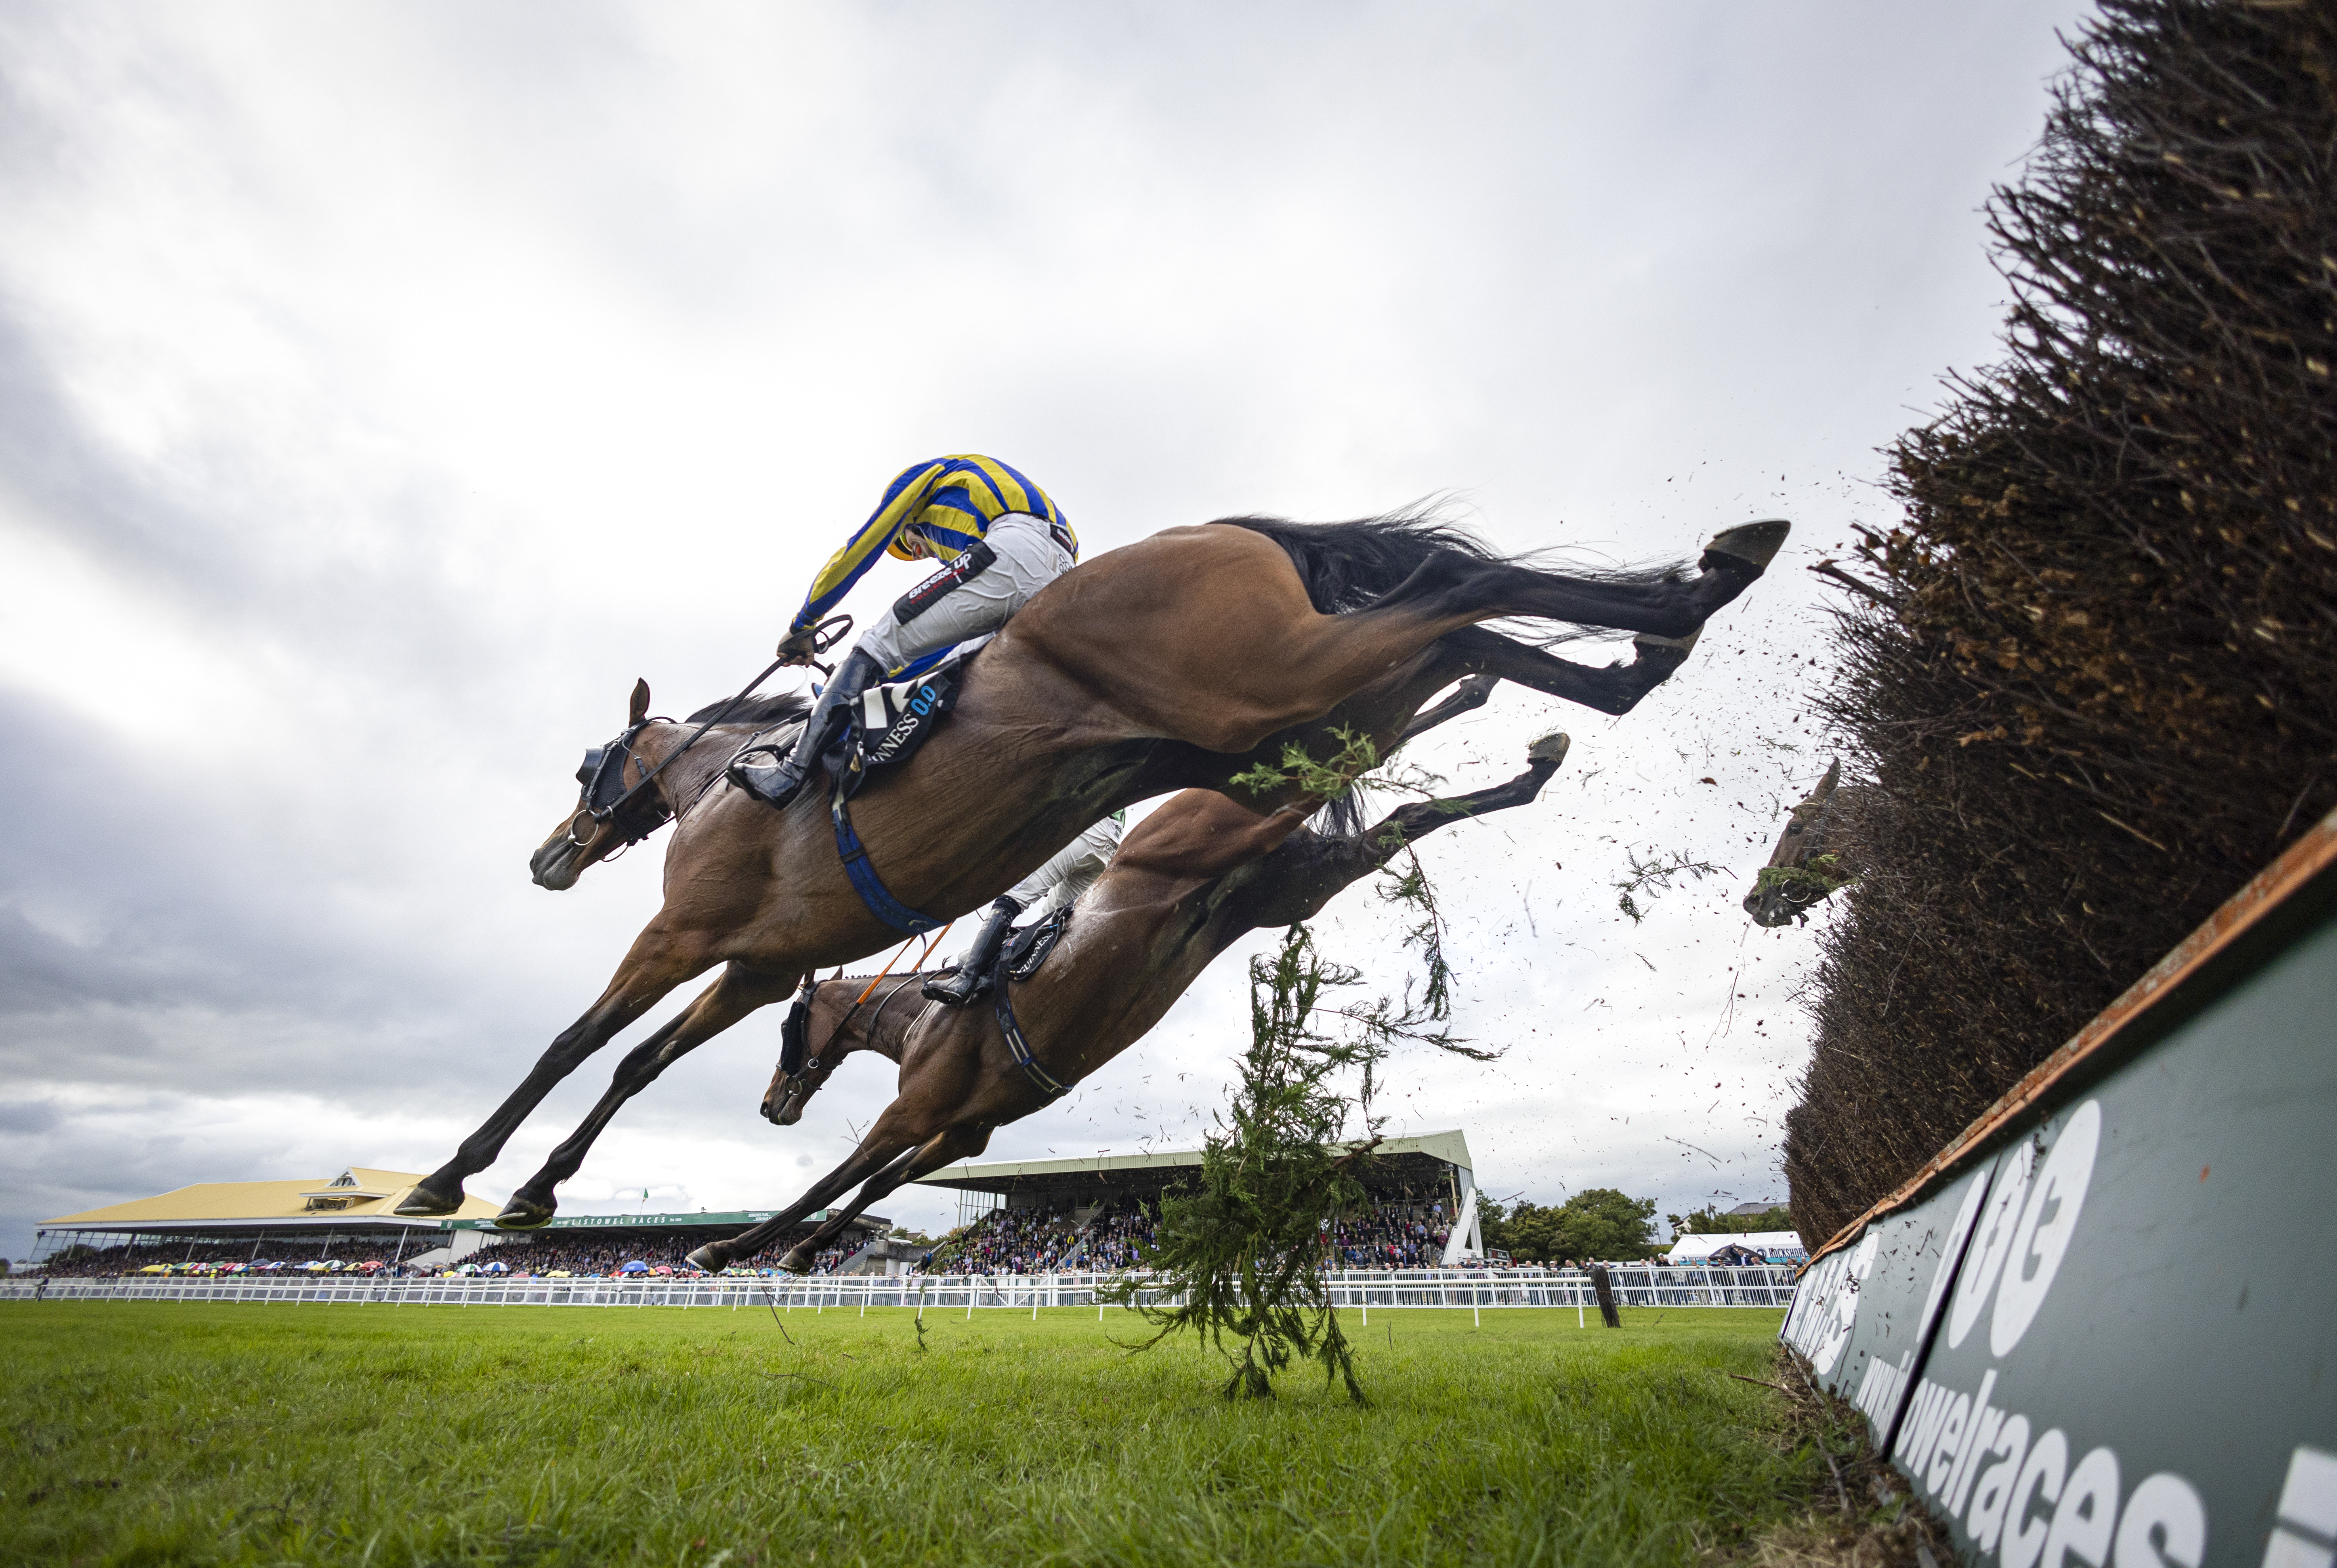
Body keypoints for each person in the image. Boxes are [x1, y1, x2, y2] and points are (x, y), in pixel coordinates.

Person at [729, 455, 1076, 810]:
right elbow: (929, 648)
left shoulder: (921, 477)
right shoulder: (991, 501)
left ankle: (789, 773)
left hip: (1016, 549)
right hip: (1063, 569)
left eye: (910, 540)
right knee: (947, 671)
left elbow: (861, 549)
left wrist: (804, 623)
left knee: (875, 645)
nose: (917, 551)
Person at [922, 809, 1124, 1006]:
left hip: (1087, 827)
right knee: (1051, 921)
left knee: (1012, 898)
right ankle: (995, 976)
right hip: (1108, 846)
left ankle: (965, 979)